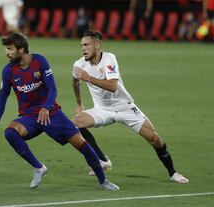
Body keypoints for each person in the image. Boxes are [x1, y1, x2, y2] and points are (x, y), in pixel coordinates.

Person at [0, 32, 119, 190]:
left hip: (52, 113)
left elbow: (52, 89)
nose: (7, 53)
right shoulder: (8, 71)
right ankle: (39, 168)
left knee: (81, 144)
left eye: (10, 49)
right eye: (6, 49)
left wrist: (46, 108)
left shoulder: (40, 61)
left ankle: (103, 181)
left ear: (21, 50)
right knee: (10, 132)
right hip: (29, 117)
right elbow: (3, 94)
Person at [71, 30, 189, 184]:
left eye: (86, 45)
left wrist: (89, 78)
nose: (83, 48)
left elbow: (112, 86)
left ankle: (173, 173)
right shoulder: (79, 64)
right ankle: (102, 160)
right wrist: (79, 104)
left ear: (97, 45)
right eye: (81, 45)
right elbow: (75, 82)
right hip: (102, 110)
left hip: (124, 107)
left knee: (155, 139)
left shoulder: (109, 59)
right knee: (73, 124)